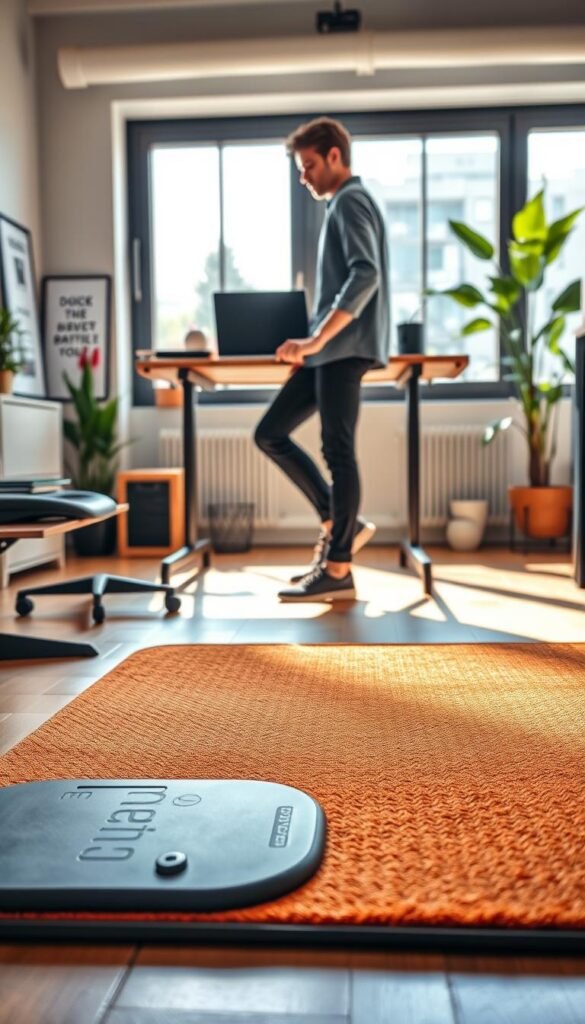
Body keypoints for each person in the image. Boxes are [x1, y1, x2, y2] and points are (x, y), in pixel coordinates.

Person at [254, 116, 390, 601]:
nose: (303, 177)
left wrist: (314, 342)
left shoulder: (350, 200)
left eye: (308, 165)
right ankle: (339, 522)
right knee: (270, 432)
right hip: (327, 352)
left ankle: (338, 567)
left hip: (343, 351)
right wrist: (312, 348)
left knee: (338, 451)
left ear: (335, 156)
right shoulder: (341, 203)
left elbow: (365, 274)